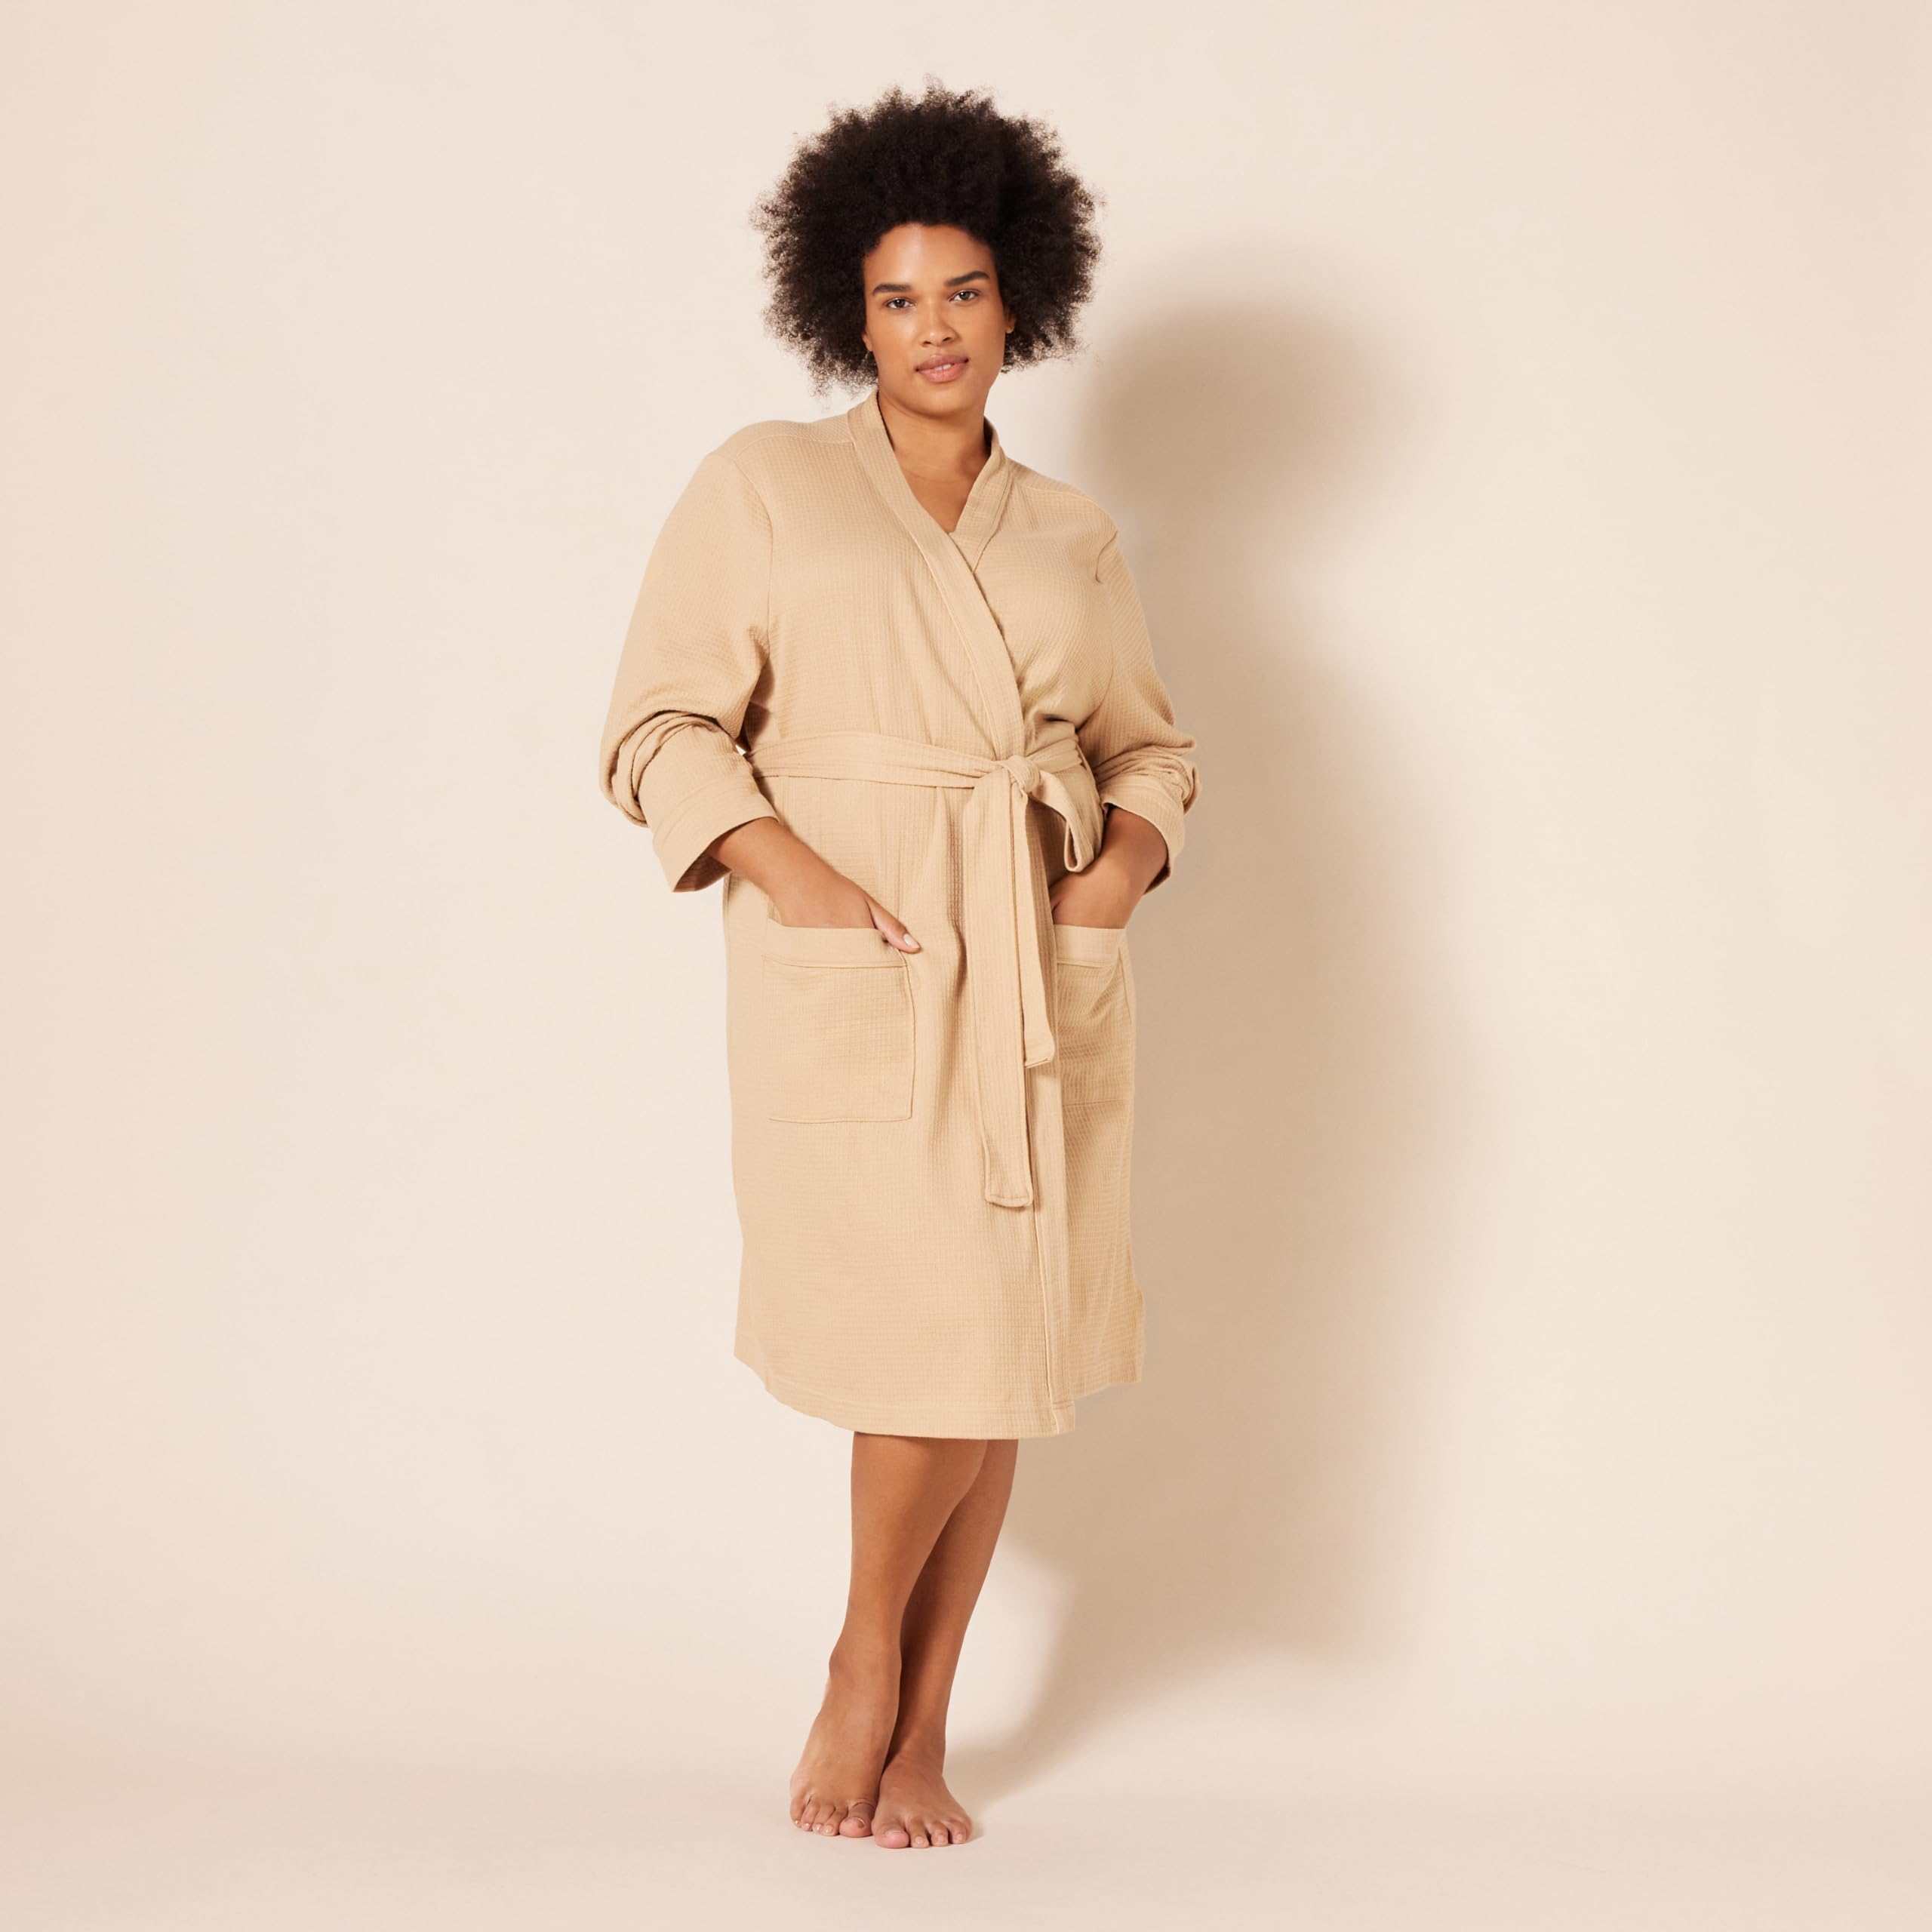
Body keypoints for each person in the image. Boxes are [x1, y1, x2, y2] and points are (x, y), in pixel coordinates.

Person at [597, 79, 1201, 1848]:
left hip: (1031, 966)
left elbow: (1149, 750)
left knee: (994, 1343)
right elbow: (656, 724)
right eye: (894, 299)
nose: (933, 328)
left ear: (1018, 299)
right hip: (863, 957)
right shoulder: (765, 484)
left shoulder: (1068, 528)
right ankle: (865, 1656)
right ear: (844, 318)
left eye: (961, 291)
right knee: (930, 1335)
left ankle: (916, 1720)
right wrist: (791, 877)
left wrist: (1105, 890)